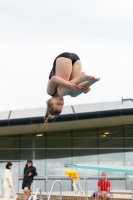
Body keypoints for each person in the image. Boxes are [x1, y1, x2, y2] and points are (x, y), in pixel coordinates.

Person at [45, 52, 100, 123]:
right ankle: (90, 82)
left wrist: (69, 85)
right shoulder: (67, 92)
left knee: (62, 92)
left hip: (63, 59)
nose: (61, 102)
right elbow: (83, 73)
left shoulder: (50, 91)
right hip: (76, 60)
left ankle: (82, 79)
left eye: (58, 104)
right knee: (73, 94)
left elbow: (54, 79)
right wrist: (85, 89)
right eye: (62, 104)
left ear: (51, 102)